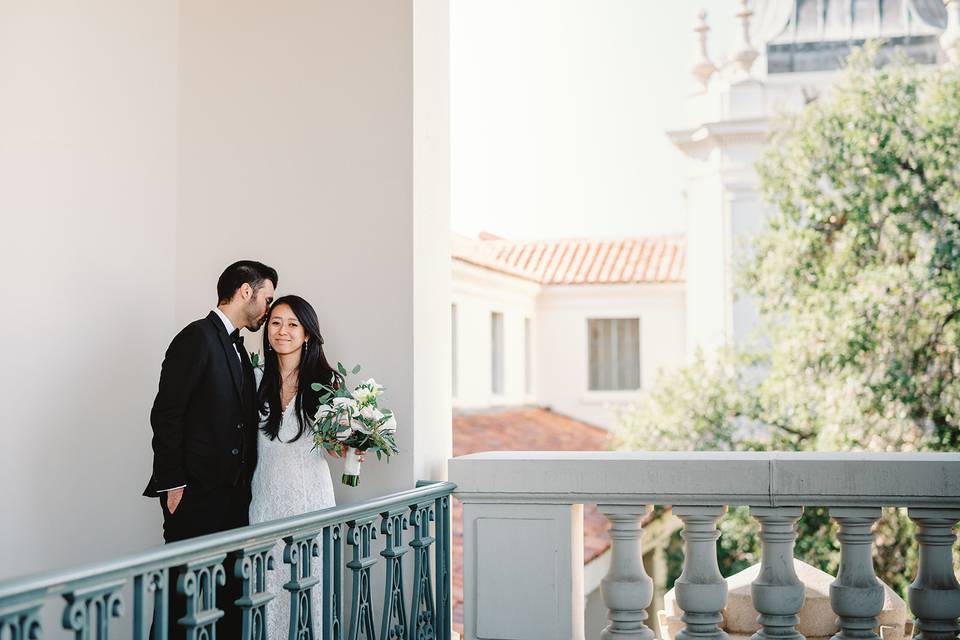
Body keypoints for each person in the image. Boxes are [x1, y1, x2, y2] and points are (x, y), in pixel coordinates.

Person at [143, 260, 277, 638]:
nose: (267, 311)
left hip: (232, 499)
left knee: (227, 597)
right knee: (179, 596)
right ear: (246, 291)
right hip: (194, 496)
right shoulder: (196, 337)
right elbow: (167, 413)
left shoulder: (238, 346)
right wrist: (172, 482)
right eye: (267, 299)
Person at [249, 295, 348, 638]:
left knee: (310, 590)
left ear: (307, 334)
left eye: (293, 324)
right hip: (264, 501)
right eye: (275, 322)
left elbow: (335, 447)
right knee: (266, 592)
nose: (282, 331)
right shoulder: (255, 378)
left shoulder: (327, 383)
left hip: (310, 502)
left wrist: (353, 444)